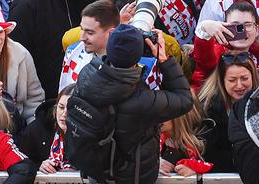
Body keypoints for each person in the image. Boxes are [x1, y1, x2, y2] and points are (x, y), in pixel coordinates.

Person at [64, 24, 191, 184]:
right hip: (130, 178)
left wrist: (121, 39)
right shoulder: (141, 100)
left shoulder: (87, 76)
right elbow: (184, 99)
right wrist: (164, 60)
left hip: (96, 172)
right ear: (138, 56)